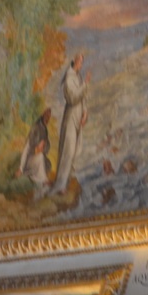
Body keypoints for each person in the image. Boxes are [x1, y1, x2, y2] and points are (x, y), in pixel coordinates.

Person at [52, 53, 90, 195]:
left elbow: (83, 97)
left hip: (78, 116)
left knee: (73, 151)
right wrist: (85, 84)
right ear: (74, 61)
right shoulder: (69, 78)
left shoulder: (77, 76)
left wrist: (85, 113)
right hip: (71, 117)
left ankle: (65, 182)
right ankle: (60, 185)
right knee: (68, 150)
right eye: (80, 61)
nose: (81, 64)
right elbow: (73, 98)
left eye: (82, 62)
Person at [18, 108, 53, 197]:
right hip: (29, 162)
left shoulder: (44, 130)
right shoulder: (35, 128)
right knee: (40, 157)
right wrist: (20, 168)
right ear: (43, 115)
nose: (48, 119)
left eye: (49, 117)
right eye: (46, 116)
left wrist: (43, 145)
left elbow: (47, 145)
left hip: (37, 159)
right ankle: (44, 181)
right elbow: (26, 149)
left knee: (47, 163)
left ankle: (41, 188)